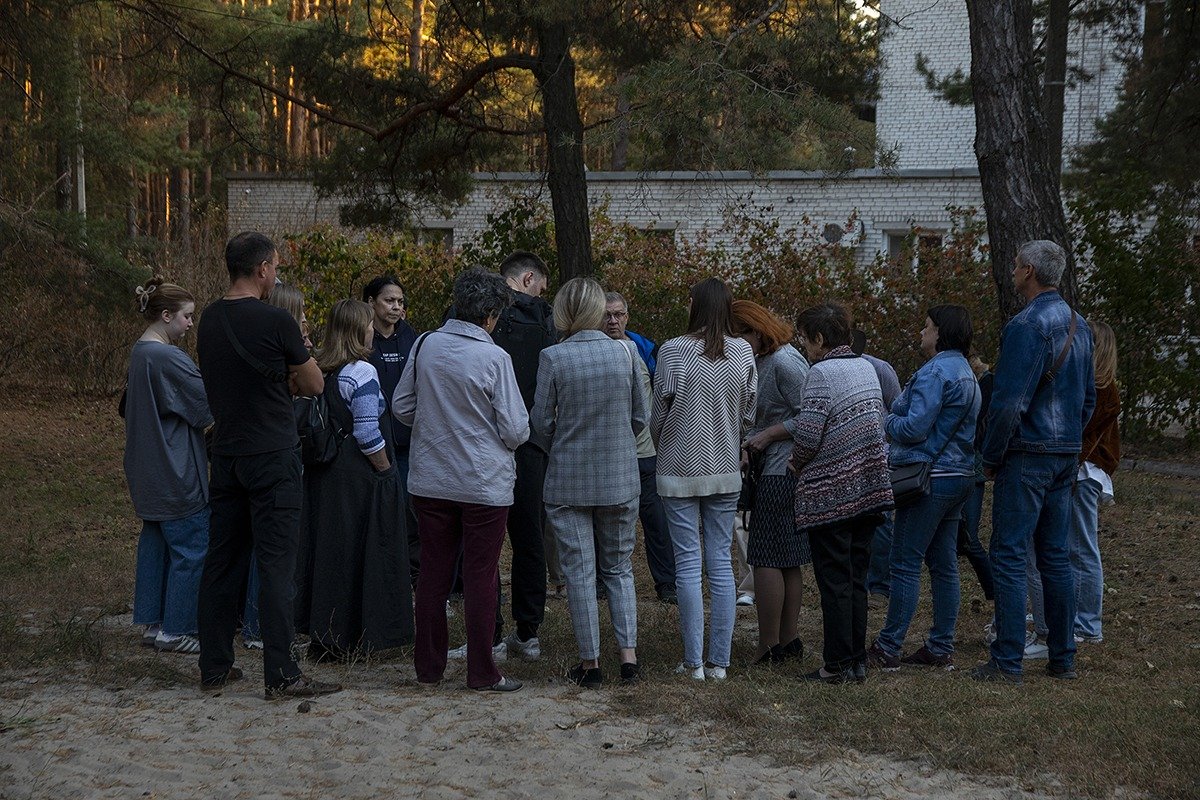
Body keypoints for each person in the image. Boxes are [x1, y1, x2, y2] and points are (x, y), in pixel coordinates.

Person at [196, 231, 341, 700]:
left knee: (223, 562)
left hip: (228, 454)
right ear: (261, 269)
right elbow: (316, 383)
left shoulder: (210, 319)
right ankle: (281, 674)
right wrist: (291, 375)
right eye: (275, 266)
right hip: (273, 455)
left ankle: (214, 666)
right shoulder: (277, 321)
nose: (277, 274)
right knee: (277, 566)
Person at [393, 268, 529, 692]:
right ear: (489, 314)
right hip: (483, 483)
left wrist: (435, 424)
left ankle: (429, 667)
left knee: (433, 572)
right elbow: (516, 429)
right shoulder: (494, 358)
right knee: (481, 575)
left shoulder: (425, 343)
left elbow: (401, 405)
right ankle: (482, 671)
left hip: (431, 478)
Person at [972, 240, 1095, 685]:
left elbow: (1008, 403)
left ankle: (1007, 660)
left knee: (1007, 554)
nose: (1012, 270)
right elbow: (1089, 398)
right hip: (1064, 454)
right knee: (1055, 557)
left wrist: (990, 457)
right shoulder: (1081, 325)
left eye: (1015, 264)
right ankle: (1063, 657)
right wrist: (1071, 443)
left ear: (1027, 271)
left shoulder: (1027, 324)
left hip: (1027, 454)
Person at [533, 279, 647, 688]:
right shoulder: (626, 350)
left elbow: (540, 423)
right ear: (599, 309)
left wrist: (565, 440)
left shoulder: (553, 357)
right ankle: (629, 658)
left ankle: (591, 662)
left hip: (568, 480)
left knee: (580, 573)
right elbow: (640, 417)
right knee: (619, 568)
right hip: (619, 475)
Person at [651, 278, 757, 681]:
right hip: (726, 466)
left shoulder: (674, 351)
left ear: (694, 304)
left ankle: (694, 662)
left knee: (688, 563)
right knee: (722, 563)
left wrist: (670, 444)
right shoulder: (743, 351)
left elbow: (658, 415)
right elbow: (748, 413)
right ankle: (720, 663)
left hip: (679, 469)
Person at [868, 305, 979, 672]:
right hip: (960, 476)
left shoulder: (935, 372)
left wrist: (886, 421)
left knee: (904, 561)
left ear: (940, 333)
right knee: (944, 564)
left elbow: (914, 427)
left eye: (927, 327)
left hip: (929, 477)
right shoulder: (967, 372)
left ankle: (888, 647)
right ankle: (940, 647)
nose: (921, 332)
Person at [303, 300, 413, 659]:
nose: (373, 330)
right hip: (359, 477)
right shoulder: (362, 373)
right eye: (368, 325)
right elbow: (367, 431)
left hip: (328, 476)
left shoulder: (323, 370)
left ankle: (328, 636)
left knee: (332, 556)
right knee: (365, 554)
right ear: (356, 331)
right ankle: (363, 636)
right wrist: (385, 470)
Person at [791, 303, 893, 684]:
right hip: (869, 489)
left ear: (819, 339)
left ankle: (835, 665)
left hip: (832, 495)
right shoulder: (866, 367)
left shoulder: (821, 374)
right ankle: (856, 661)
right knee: (856, 579)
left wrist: (796, 463)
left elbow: (808, 435)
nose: (804, 347)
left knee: (834, 581)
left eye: (805, 338)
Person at [124, 278, 212, 655]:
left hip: (146, 468)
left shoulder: (139, 352)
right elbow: (206, 405)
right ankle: (176, 628)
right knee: (191, 547)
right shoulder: (168, 358)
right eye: (187, 316)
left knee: (156, 543)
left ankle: (153, 622)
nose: (191, 324)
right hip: (174, 467)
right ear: (166, 315)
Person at [731, 300, 811, 664]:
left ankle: (768, 645)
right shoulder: (761, 361)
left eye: (738, 335)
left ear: (756, 332)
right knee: (785, 558)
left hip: (784, 470)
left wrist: (767, 436)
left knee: (765, 557)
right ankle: (787, 640)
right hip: (772, 469)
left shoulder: (785, 361)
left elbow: (811, 415)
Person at [488, 251, 558, 660]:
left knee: (485, 540)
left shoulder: (475, 312)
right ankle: (528, 631)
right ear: (529, 277)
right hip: (531, 440)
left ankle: (491, 631)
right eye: (541, 286)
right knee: (529, 535)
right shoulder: (544, 320)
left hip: (483, 441)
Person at [242, 282, 311, 651]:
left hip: (250, 450)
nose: (305, 322)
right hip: (273, 452)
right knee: (271, 551)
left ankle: (256, 626)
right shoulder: (281, 349)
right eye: (300, 315)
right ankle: (260, 630)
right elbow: (309, 383)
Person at [603, 291, 676, 604]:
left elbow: (663, 395)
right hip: (605, 453)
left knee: (656, 522)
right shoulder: (589, 348)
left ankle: (667, 585)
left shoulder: (645, 348)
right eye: (607, 315)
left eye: (618, 314)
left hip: (645, 451)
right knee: (603, 521)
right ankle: (600, 584)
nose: (613, 320)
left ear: (627, 316)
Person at [362, 275, 420, 585]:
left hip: (410, 440)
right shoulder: (362, 341)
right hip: (373, 441)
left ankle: (413, 574)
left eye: (400, 301)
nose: (396, 306)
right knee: (382, 507)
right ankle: (383, 573)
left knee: (411, 508)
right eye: (389, 300)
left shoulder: (412, 338)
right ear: (371, 303)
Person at [1071, 320, 1119, 644]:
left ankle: (1088, 625)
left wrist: (1070, 463)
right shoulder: (1099, 387)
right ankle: (1075, 616)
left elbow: (1087, 436)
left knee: (1084, 549)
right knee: (1073, 545)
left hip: (1084, 472)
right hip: (1084, 471)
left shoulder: (1103, 391)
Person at [852, 328, 902, 608]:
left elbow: (897, 407)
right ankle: (857, 581)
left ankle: (880, 586)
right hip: (846, 459)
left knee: (881, 522)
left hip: (879, 457)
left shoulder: (880, 369)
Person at [959, 354, 996, 602]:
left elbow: (982, 426)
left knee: (969, 539)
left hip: (973, 468)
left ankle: (994, 590)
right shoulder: (978, 385)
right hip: (964, 466)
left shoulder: (987, 385)